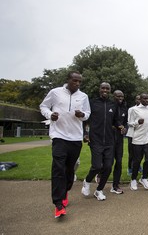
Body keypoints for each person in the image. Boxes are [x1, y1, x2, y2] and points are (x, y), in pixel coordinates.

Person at [39, 71, 91, 218]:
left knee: (69, 170)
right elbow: (43, 106)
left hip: (75, 138)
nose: (77, 84)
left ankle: (65, 190)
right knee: (58, 168)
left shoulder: (83, 96)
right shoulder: (55, 92)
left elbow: (88, 113)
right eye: (75, 81)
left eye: (80, 82)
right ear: (68, 80)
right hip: (58, 136)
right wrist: (50, 115)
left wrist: (82, 115)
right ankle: (58, 204)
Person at [81, 82, 121, 201]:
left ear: (110, 91)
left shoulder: (113, 105)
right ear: (99, 89)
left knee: (108, 167)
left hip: (109, 141)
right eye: (103, 88)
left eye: (107, 89)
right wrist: (85, 133)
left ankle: (99, 190)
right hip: (96, 140)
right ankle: (87, 181)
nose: (105, 90)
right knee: (97, 166)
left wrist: (120, 126)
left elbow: (115, 121)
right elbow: (85, 121)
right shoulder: (92, 103)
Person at [129, 93, 148, 191]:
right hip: (137, 139)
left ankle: (144, 178)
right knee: (137, 161)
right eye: (145, 98)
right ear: (140, 99)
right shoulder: (134, 110)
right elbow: (130, 123)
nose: (147, 100)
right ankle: (133, 180)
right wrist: (137, 122)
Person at [110, 90, 128, 194]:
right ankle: (100, 177)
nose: (120, 98)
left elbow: (125, 122)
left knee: (119, 162)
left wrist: (124, 127)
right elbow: (109, 120)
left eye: (122, 96)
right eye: (118, 96)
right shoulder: (110, 106)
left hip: (119, 138)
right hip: (109, 138)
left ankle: (115, 185)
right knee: (108, 162)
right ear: (114, 96)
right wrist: (117, 126)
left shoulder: (124, 107)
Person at [126, 95, 141, 176]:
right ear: (135, 100)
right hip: (132, 134)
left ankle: (138, 166)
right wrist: (137, 123)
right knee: (131, 153)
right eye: (138, 99)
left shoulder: (145, 109)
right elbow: (129, 122)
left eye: (140, 99)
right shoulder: (131, 109)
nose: (139, 100)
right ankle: (130, 168)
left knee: (139, 153)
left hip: (141, 134)